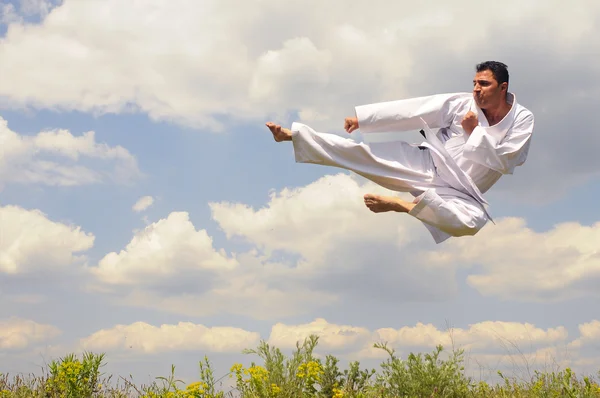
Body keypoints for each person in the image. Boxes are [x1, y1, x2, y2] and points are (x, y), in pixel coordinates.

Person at [265, 61, 535, 243]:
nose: (476, 90)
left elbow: (507, 161)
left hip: (460, 191)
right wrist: (366, 120)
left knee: (472, 223)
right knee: (361, 155)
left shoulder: (522, 119)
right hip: (427, 164)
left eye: (484, 84)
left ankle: (404, 206)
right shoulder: (462, 104)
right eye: (475, 83)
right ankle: (293, 135)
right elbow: (417, 109)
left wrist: (474, 131)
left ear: (503, 87)